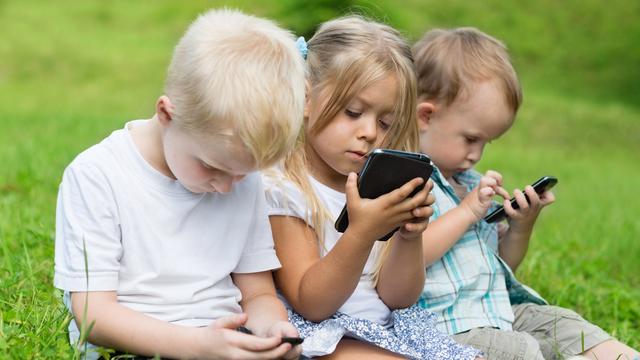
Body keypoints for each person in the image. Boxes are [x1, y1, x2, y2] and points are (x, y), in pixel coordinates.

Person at [53, 9, 306, 359]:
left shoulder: (240, 178)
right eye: (211, 167)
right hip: (132, 347)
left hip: (224, 342)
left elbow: (258, 293)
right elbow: (91, 314)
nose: (228, 187)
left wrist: (273, 330)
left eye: (243, 174)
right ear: (167, 115)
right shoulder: (98, 176)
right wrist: (198, 346)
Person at [262, 16, 483, 359]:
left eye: (385, 123)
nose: (369, 132)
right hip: (322, 335)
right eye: (352, 112)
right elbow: (312, 303)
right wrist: (362, 232)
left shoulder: (376, 184)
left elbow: (397, 297)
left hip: (382, 330)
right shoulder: (284, 186)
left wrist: (408, 237)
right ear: (306, 98)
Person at [413, 27, 640, 360]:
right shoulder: (408, 182)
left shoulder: (470, 181)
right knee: (522, 351)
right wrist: (466, 212)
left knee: (568, 326)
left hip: (504, 312)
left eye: (487, 143)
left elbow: (503, 265)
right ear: (426, 116)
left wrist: (521, 226)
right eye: (471, 139)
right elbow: (409, 258)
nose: (477, 154)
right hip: (448, 327)